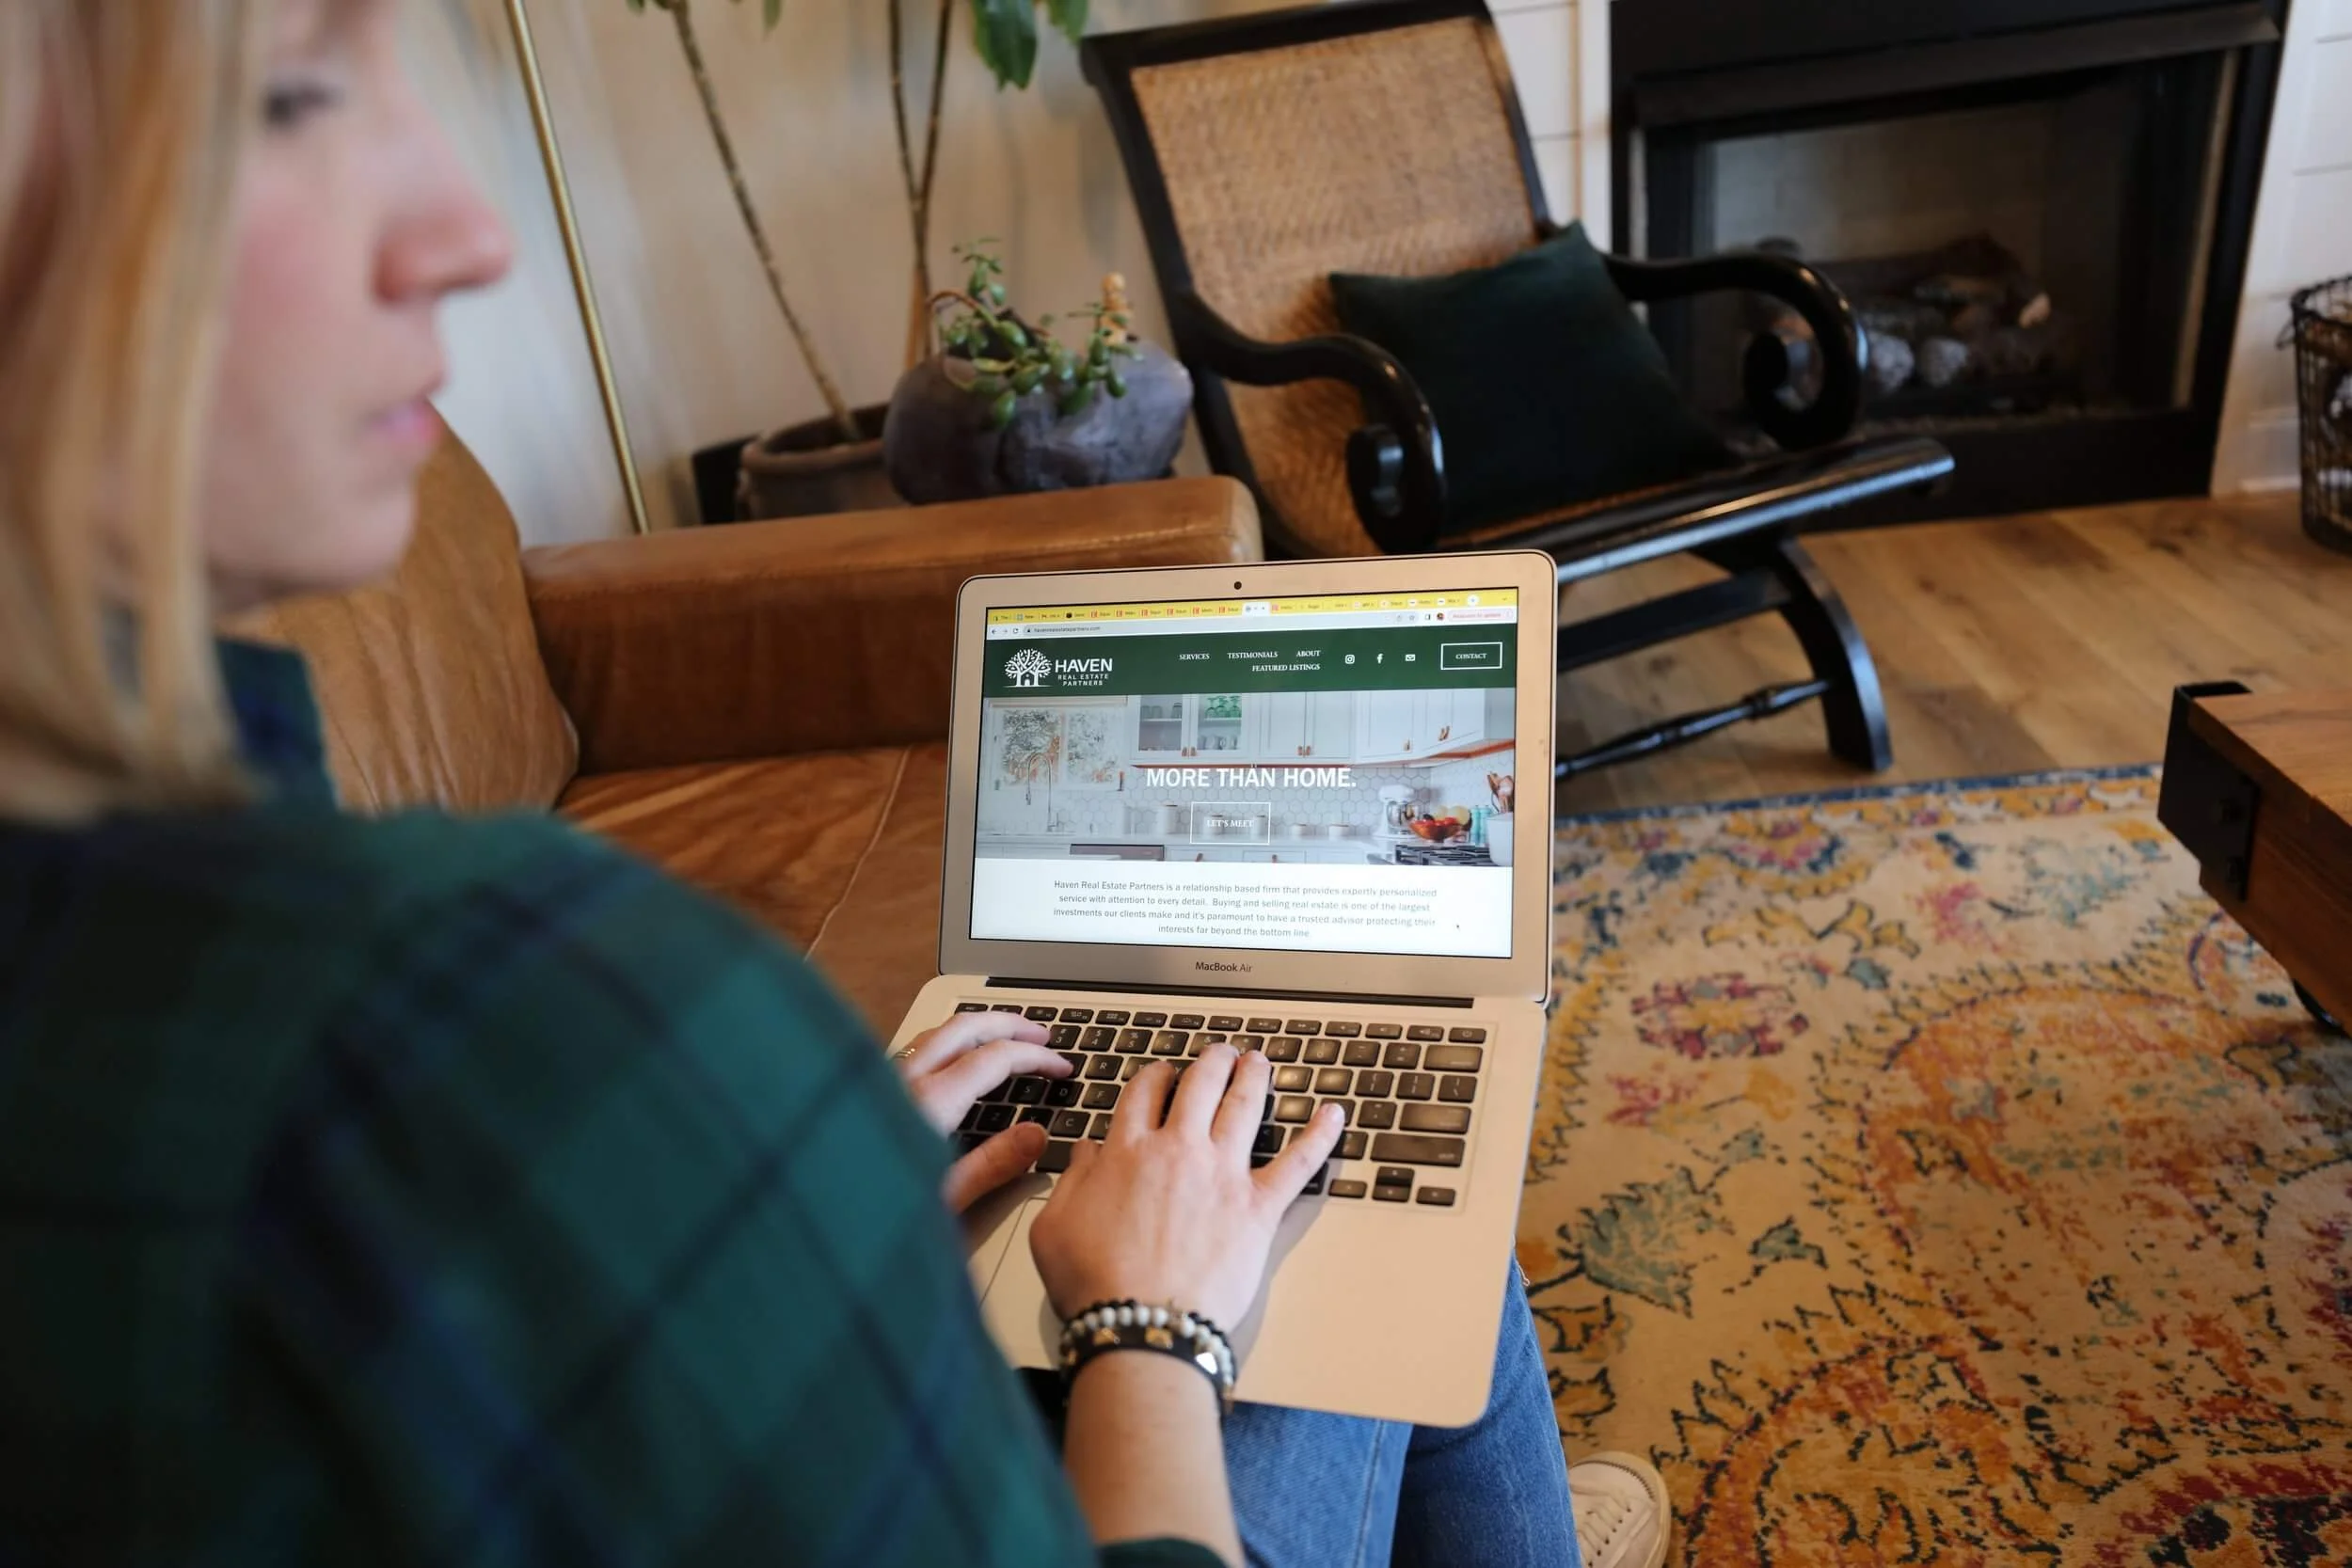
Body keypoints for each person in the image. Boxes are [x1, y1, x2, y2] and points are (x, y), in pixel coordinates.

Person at [0, 1, 1670, 1564]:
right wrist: (1149, 1336)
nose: (469, 231)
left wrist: (781, 1197)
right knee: (1337, 1192)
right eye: (291, 97)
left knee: (1364, 1152)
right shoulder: (476, 1021)